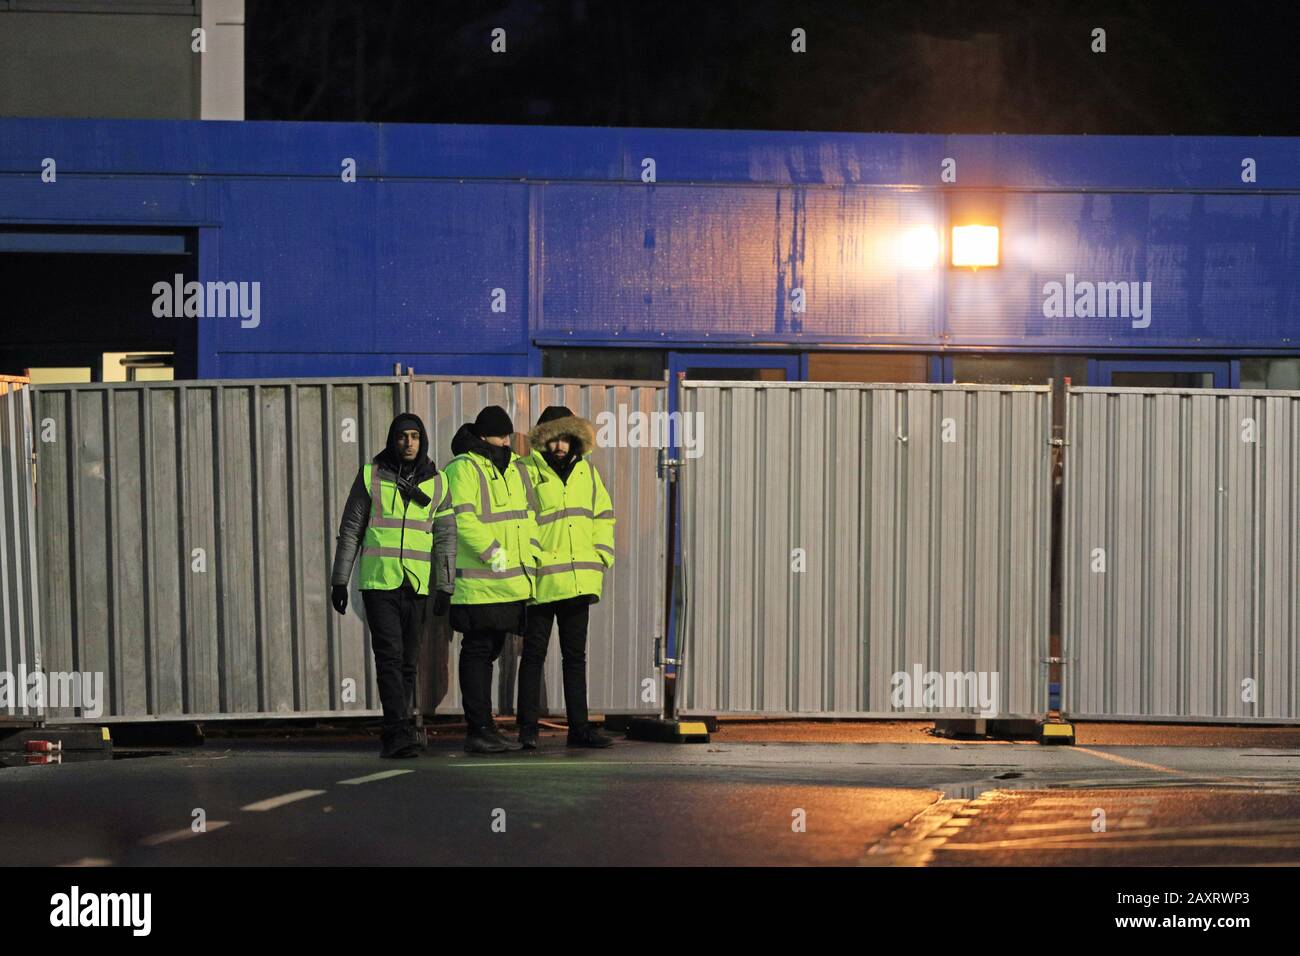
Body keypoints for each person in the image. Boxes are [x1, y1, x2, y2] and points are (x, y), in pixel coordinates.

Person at [330, 412, 455, 758]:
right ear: (392, 439)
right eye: (402, 436)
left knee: (408, 662)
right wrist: (340, 580)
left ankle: (400, 727)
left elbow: (446, 538)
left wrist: (445, 586)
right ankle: (395, 732)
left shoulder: (438, 483)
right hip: (379, 582)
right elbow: (351, 529)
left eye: (415, 436)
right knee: (389, 656)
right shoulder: (371, 476)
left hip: (415, 584)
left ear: (422, 440)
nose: (409, 442)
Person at [515, 406, 616, 749]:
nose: (559, 445)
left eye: (565, 438)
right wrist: (530, 562)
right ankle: (527, 730)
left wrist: (601, 555)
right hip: (542, 579)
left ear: (574, 439)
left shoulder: (586, 471)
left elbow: (603, 514)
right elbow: (519, 521)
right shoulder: (525, 471)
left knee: (575, 658)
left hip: (578, 579)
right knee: (533, 656)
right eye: (553, 438)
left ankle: (580, 729)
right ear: (543, 439)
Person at [444, 405, 541, 754]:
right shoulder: (463, 467)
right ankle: (479, 729)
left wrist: (530, 554)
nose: (507, 440)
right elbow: (462, 518)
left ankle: (486, 728)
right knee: (478, 651)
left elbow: (527, 517)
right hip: (479, 581)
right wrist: (494, 552)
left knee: (490, 651)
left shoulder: (514, 468)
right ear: (484, 435)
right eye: (501, 434)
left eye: (509, 435)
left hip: (508, 581)